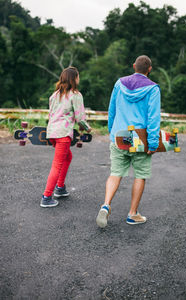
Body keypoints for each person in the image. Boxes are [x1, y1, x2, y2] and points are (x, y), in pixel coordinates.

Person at [96, 55, 161, 227]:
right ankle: (132, 214)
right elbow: (153, 117)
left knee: (115, 173)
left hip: (120, 135)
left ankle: (106, 204)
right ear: (149, 69)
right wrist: (153, 143)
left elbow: (112, 109)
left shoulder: (119, 83)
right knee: (140, 174)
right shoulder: (153, 89)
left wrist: (112, 131)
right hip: (139, 137)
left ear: (134, 66)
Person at [40, 66, 91, 208]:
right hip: (63, 133)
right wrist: (87, 128)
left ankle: (60, 188)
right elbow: (80, 117)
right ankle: (47, 196)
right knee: (57, 165)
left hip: (52, 132)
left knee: (67, 157)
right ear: (74, 78)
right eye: (78, 76)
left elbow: (51, 114)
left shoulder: (55, 95)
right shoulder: (75, 94)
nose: (79, 79)